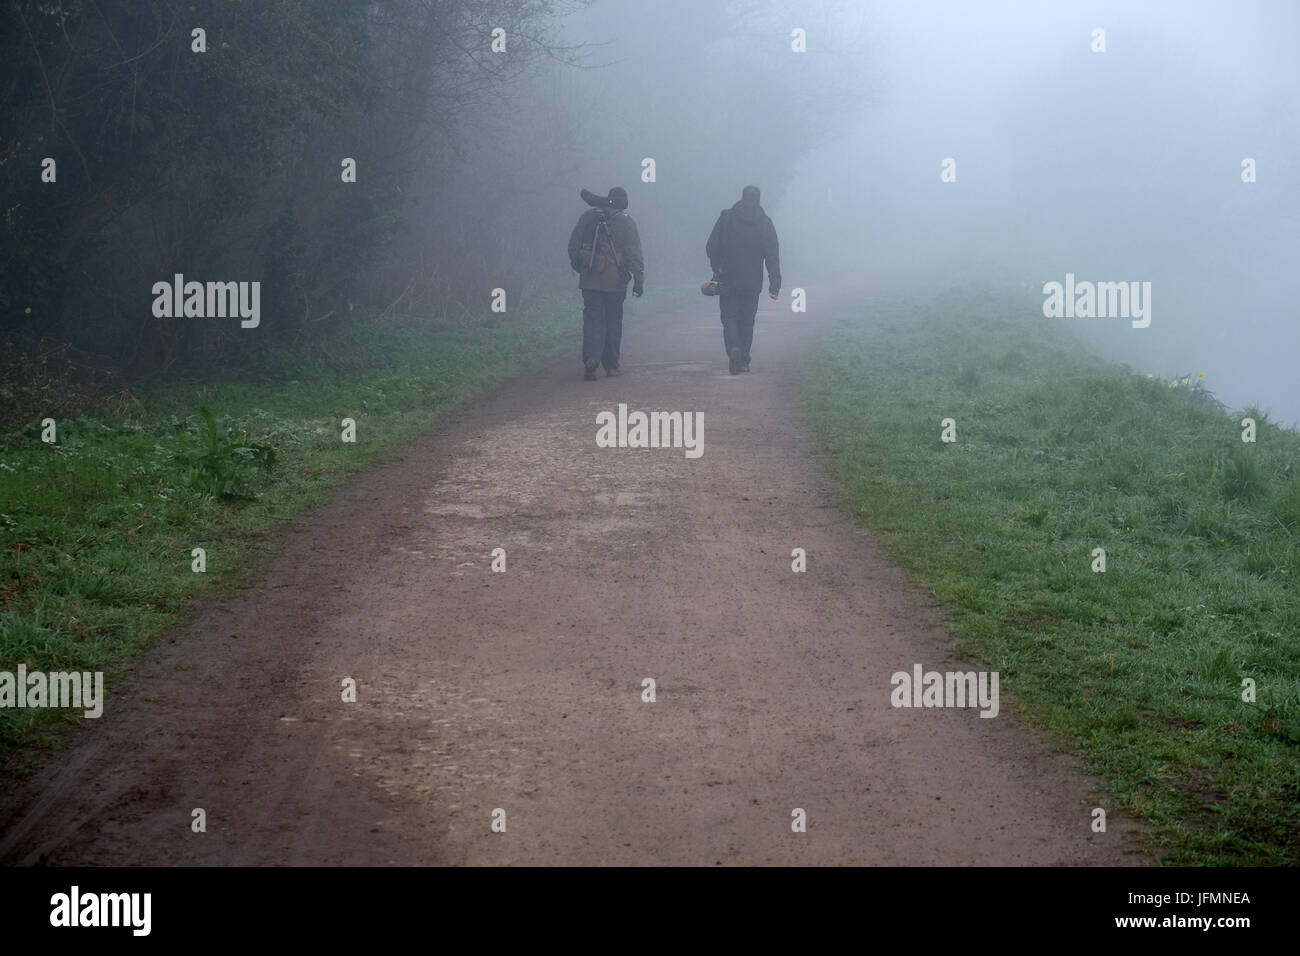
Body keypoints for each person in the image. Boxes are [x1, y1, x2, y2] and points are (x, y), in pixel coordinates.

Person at [567, 187, 644, 381]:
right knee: (612, 322)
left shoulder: (588, 217)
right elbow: (634, 254)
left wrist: (580, 267)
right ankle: (611, 365)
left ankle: (591, 360)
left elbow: (573, 245)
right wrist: (638, 280)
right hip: (615, 282)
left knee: (593, 321)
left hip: (590, 281)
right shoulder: (626, 222)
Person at [705, 185, 781, 374]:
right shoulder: (766, 224)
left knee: (729, 317)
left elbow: (711, 246)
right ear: (759, 200)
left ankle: (733, 349)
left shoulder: (726, 218)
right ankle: (744, 361)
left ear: (742, 197)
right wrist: (775, 283)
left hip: (728, 278)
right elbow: (772, 256)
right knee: (747, 321)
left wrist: (717, 267)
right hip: (753, 281)